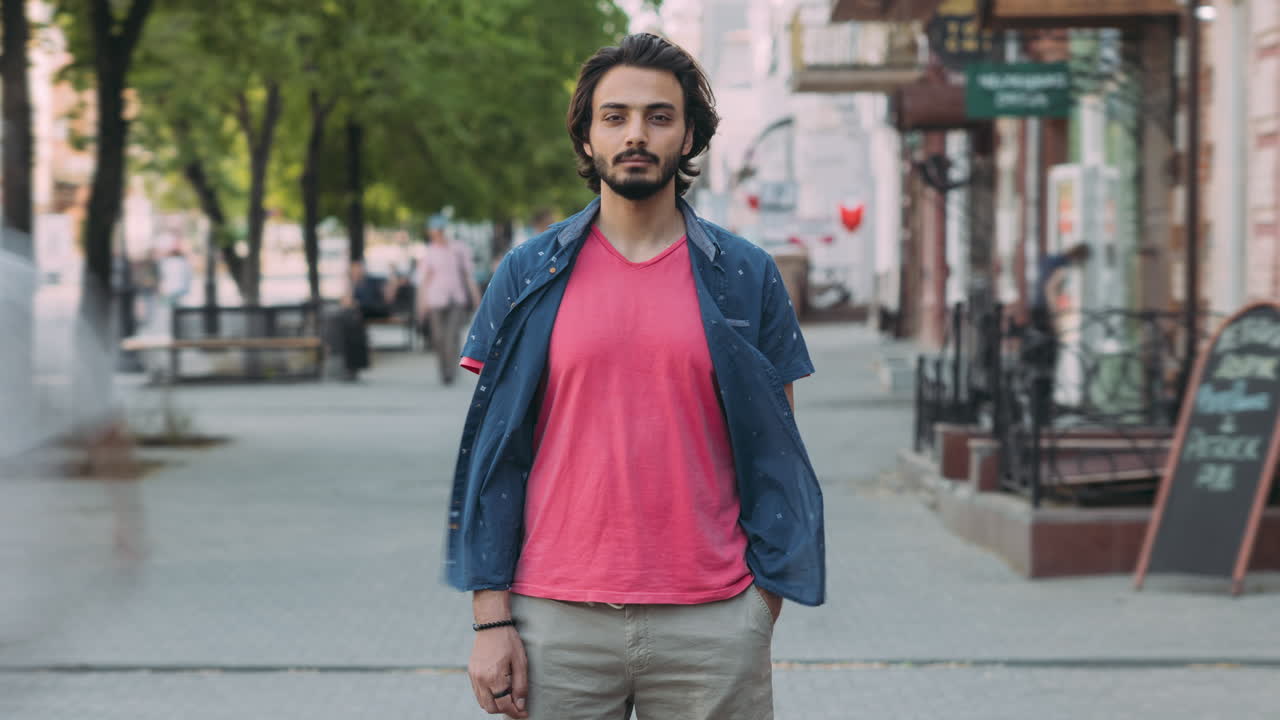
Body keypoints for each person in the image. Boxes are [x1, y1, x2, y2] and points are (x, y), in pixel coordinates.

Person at [447, 34, 822, 720]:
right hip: (554, 618)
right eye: (614, 116)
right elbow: (496, 456)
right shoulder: (529, 273)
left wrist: (759, 607)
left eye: (659, 116)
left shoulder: (746, 275)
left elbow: (776, 452)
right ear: (587, 137)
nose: (636, 135)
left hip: (713, 619)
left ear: (689, 136)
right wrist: (490, 618)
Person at [1025, 243, 1092, 422]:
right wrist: (1055, 319)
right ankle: (1042, 411)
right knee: (1048, 363)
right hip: (1046, 317)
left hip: (1037, 314)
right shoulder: (1062, 266)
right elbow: (1050, 289)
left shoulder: (1050, 260)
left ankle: (1038, 409)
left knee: (1040, 364)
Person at [416, 215, 481, 384]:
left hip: (456, 298)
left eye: (438, 231)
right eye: (433, 232)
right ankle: (443, 369)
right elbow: (424, 281)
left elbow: (468, 275)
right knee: (438, 337)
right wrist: (422, 304)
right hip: (435, 299)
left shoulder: (459, 249)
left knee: (451, 336)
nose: (436, 234)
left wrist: (477, 299)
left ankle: (450, 372)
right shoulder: (429, 252)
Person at [328, 259, 398, 381]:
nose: (356, 272)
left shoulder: (373, 280)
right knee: (345, 320)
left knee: (349, 317)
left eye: (358, 269)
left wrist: (393, 273)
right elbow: (346, 302)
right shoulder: (353, 284)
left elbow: (389, 291)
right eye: (354, 270)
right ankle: (348, 363)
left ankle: (350, 365)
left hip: (375, 310)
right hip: (358, 315)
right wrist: (347, 285)